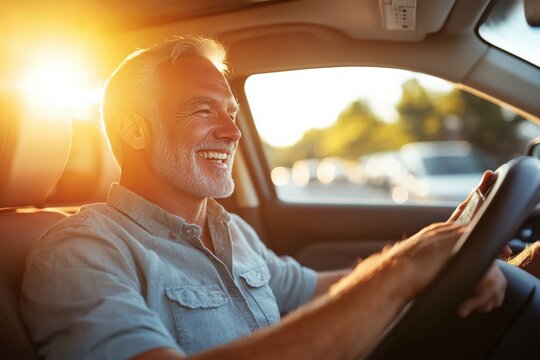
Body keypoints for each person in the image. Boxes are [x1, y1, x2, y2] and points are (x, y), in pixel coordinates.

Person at [21, 36, 508, 360]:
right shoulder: (79, 254)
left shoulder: (230, 231)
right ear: (135, 128)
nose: (232, 131)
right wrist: (401, 274)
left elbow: (317, 292)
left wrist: (440, 242)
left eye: (231, 111)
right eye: (202, 110)